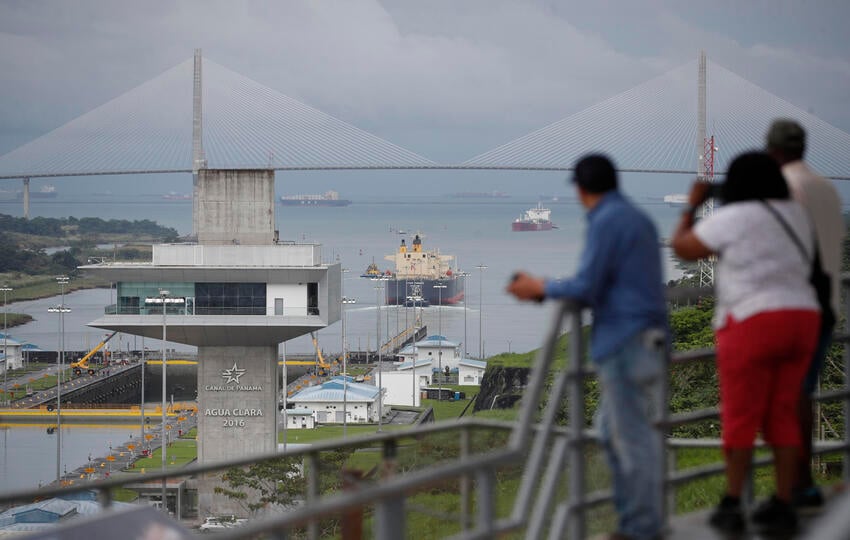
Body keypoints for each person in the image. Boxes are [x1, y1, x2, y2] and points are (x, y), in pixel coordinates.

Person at [508, 154, 667, 540]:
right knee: (616, 431)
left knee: (628, 439)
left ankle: (642, 528)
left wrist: (540, 287)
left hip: (627, 341)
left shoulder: (607, 221)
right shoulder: (637, 218)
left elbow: (588, 285)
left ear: (581, 190)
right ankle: (637, 524)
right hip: (649, 335)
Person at [672, 151, 820, 535]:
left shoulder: (732, 217)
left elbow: (684, 248)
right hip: (803, 319)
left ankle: (733, 502)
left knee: (741, 415)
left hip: (753, 322)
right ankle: (784, 502)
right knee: (783, 413)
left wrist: (692, 206)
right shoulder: (797, 216)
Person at [766, 119, 844, 510]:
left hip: (797, 307)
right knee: (803, 394)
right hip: (827, 304)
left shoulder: (786, 190)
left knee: (789, 398)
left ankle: (795, 488)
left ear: (774, 152)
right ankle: (802, 482)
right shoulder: (828, 188)